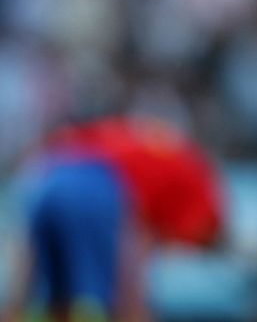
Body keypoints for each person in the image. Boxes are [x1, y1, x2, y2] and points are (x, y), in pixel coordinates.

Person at [2, 116, 223, 322]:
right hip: (95, 186)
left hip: (48, 177)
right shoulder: (204, 204)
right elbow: (139, 248)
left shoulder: (168, 151)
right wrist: (139, 307)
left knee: (51, 298)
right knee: (109, 301)